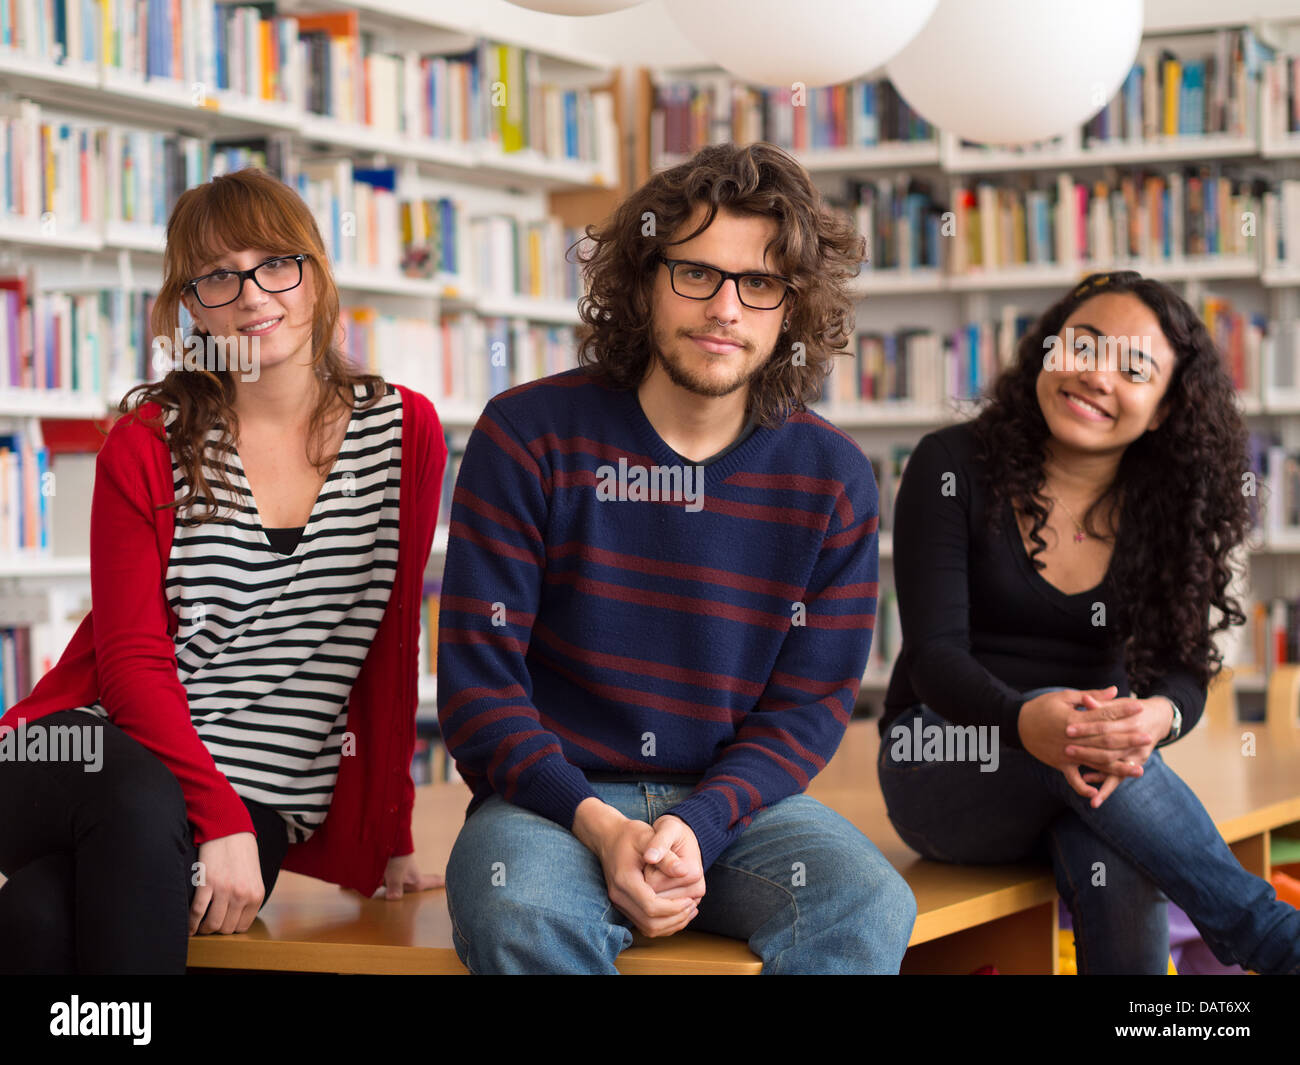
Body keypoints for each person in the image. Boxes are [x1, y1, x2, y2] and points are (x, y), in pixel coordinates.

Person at [437, 141, 916, 975]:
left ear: (791, 310)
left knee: (869, 900)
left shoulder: (832, 477)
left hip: (737, 811)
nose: (726, 307)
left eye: (759, 283)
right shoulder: (528, 438)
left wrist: (701, 821)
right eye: (696, 273)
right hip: (551, 806)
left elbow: (807, 710)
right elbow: (480, 690)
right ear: (643, 281)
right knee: (518, 908)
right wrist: (599, 821)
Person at [0, 167, 448, 975]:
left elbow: (390, 636)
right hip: (91, 751)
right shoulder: (148, 443)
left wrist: (390, 830)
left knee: (35, 919)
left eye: (276, 262)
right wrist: (218, 817)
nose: (251, 293)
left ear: (316, 272)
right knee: (136, 799)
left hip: (256, 799)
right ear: (191, 304)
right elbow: (133, 665)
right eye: (217, 275)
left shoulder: (402, 433)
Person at [879, 269, 1300, 975]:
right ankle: (1269, 938)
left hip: (1098, 779)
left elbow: (1182, 667)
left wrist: (1160, 716)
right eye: (1083, 345)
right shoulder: (950, 465)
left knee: (1112, 844)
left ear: (1165, 407)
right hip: (944, 756)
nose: (1096, 376)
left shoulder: (1170, 500)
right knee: (1092, 762)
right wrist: (1024, 721)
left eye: (1133, 368)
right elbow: (934, 659)